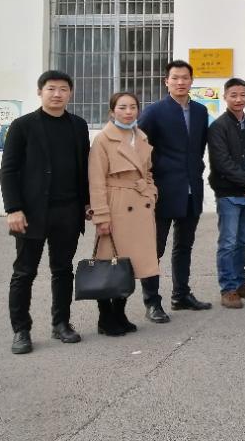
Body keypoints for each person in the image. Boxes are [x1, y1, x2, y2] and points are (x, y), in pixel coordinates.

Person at [1, 71, 90, 354]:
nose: (57, 94)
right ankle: (21, 330)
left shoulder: (78, 126)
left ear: (70, 93)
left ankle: (61, 323)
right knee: (24, 272)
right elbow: (8, 170)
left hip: (68, 211)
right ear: (40, 92)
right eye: (51, 88)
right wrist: (13, 208)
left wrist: (87, 203)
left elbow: (83, 169)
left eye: (63, 89)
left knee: (63, 270)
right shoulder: (22, 126)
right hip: (31, 213)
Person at [138, 59, 211, 323]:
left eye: (185, 78)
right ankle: (152, 302)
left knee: (184, 246)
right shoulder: (154, 112)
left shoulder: (201, 111)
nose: (180, 82)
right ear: (166, 82)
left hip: (192, 188)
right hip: (162, 190)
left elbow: (198, 148)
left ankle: (181, 295)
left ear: (191, 81)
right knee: (154, 249)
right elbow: (140, 148)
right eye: (175, 78)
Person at [88, 92, 159, 334]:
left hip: (140, 206)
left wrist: (151, 193)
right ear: (112, 111)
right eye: (122, 107)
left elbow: (147, 172)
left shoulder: (141, 136)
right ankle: (105, 317)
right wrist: (101, 216)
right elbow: (96, 181)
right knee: (108, 263)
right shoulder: (103, 139)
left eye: (133, 107)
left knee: (129, 265)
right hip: (116, 205)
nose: (128, 112)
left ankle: (120, 313)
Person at [208, 77, 245, 309]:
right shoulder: (218, 127)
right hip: (229, 194)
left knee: (243, 241)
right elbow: (222, 163)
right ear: (225, 97)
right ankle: (228, 288)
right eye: (233, 95)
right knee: (228, 242)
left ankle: (240, 283)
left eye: (243, 95)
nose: (239, 99)